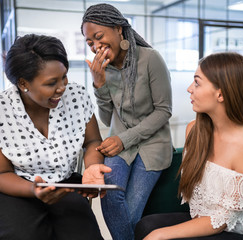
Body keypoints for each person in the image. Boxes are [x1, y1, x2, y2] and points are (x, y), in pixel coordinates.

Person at [0, 34, 111, 240]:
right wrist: (34, 190)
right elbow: (0, 174)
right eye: (51, 83)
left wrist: (91, 166)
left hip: (62, 183)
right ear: (23, 83)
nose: (62, 87)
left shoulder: (77, 96)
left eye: (64, 76)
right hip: (10, 186)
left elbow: (91, 141)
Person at [135, 52, 243, 240]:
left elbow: (222, 220)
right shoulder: (194, 131)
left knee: (158, 235)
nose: (189, 89)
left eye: (197, 82)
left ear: (220, 93)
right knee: (146, 226)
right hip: (207, 223)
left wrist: (160, 235)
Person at [81, 3, 173, 240]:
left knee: (130, 215)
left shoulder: (150, 59)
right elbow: (105, 117)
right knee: (108, 191)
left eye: (98, 36)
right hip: (119, 144)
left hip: (152, 145)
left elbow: (164, 111)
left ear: (119, 29)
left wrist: (124, 139)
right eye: (90, 42)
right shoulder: (104, 70)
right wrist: (99, 84)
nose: (95, 46)